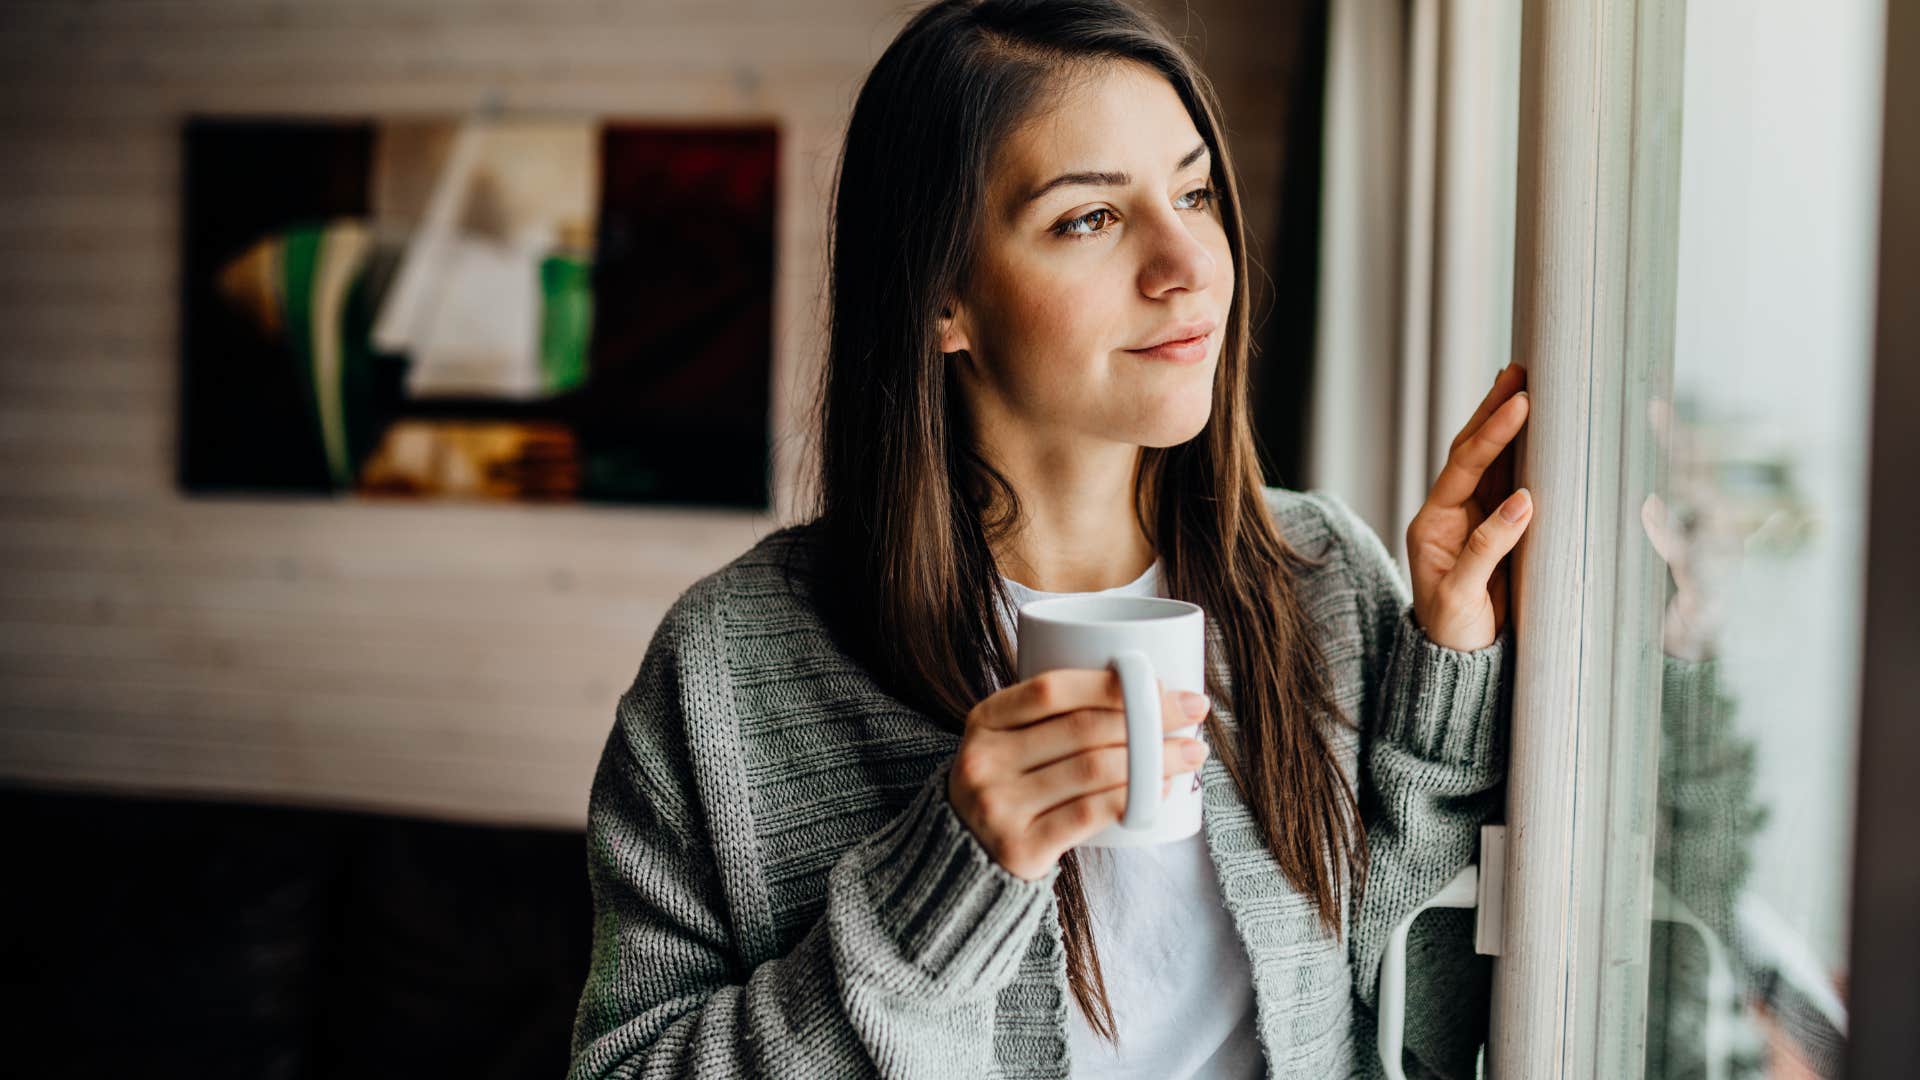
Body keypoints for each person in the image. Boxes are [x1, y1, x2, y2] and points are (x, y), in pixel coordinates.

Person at [565, 1, 1538, 1076]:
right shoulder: (729, 668)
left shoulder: (1325, 580)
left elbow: (1432, 1037)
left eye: (1195, 192)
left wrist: (1448, 667)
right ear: (943, 296)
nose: (1189, 265)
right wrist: (950, 877)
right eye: (1090, 219)